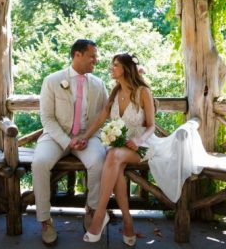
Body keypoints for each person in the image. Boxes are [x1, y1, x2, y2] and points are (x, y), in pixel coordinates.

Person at [81, 53, 210, 246]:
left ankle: (99, 215)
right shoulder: (115, 93)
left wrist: (139, 139)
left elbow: (151, 125)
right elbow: (101, 118)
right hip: (119, 147)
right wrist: (83, 138)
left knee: (113, 156)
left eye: (115, 65)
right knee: (114, 159)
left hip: (143, 145)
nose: (111, 68)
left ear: (126, 68)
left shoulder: (143, 92)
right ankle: (127, 222)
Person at [32, 39, 108, 244]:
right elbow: (47, 118)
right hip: (56, 136)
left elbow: (105, 114)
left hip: (88, 136)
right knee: (39, 163)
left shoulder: (99, 84)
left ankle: (91, 210)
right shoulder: (52, 80)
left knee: (99, 161)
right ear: (78, 55)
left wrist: (87, 136)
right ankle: (45, 220)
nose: (96, 60)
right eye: (92, 56)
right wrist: (67, 141)